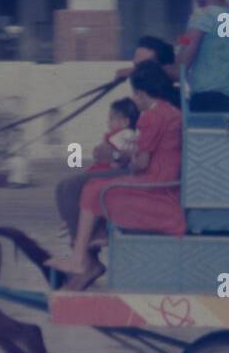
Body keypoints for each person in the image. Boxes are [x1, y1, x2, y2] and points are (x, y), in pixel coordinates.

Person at [48, 61, 185, 290]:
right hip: (165, 182)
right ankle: (85, 251)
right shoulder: (171, 112)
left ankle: (80, 257)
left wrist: (126, 154)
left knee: (93, 190)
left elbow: (142, 164)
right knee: (97, 188)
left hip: (155, 185)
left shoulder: (151, 117)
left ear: (140, 94)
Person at [54, 97, 139, 241]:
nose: (108, 122)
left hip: (116, 170)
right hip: (104, 167)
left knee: (72, 185)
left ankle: (78, 235)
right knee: (61, 187)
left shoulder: (126, 134)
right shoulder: (116, 135)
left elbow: (126, 155)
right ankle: (69, 221)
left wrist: (114, 157)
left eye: (112, 119)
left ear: (125, 122)